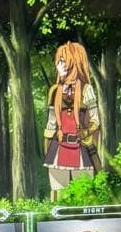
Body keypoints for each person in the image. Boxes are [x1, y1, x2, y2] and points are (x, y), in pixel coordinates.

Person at [43, 41, 101, 198]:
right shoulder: (55, 91)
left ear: (74, 62)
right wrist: (47, 150)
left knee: (84, 195)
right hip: (58, 148)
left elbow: (96, 120)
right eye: (58, 62)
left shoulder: (86, 90)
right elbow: (50, 125)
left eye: (63, 61)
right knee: (58, 196)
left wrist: (86, 132)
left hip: (81, 148)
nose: (59, 66)